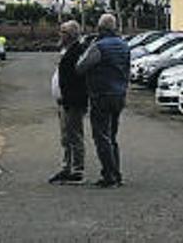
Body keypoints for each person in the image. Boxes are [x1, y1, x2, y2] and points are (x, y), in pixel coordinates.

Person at [76, 14, 130, 188]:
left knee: (101, 136)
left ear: (100, 28)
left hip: (101, 94)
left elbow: (80, 67)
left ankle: (109, 175)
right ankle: (117, 173)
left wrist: (87, 47)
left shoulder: (99, 47)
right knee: (112, 136)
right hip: (119, 94)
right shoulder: (124, 45)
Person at [48, 21, 88, 185]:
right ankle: (66, 167)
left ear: (70, 35)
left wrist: (69, 97)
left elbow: (77, 79)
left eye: (63, 32)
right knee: (66, 136)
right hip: (64, 101)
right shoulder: (66, 50)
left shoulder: (78, 51)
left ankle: (77, 169)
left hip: (73, 101)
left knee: (75, 135)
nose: (60, 35)